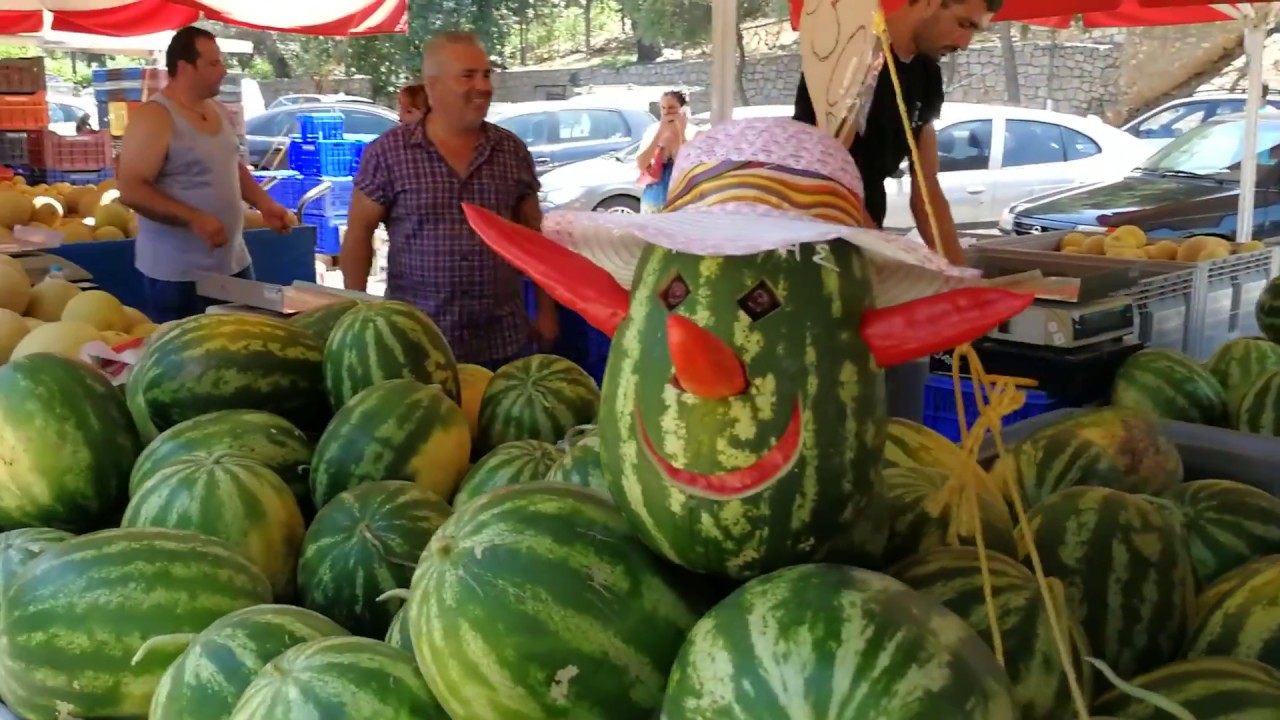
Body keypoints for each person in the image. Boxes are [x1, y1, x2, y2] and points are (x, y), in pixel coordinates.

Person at [340, 31, 557, 369]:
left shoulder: (511, 151)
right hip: (416, 346)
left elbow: (534, 235)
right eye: (468, 75)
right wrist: (356, 313)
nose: (484, 86)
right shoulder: (388, 153)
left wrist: (546, 310)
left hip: (502, 342)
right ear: (433, 86)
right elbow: (358, 234)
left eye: (486, 74)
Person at [793, 0, 999, 266]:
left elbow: (927, 186)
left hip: (866, 236)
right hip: (814, 242)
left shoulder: (927, 74)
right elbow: (828, 180)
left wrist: (959, 275)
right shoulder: (854, 58)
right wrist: (886, 259)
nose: (965, 43)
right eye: (964, 24)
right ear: (928, 3)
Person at [118, 25, 292, 323]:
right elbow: (132, 190)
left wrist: (264, 204)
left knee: (242, 349)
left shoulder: (216, 110)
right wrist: (194, 218)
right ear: (185, 67)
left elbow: (230, 165)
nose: (223, 71)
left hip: (233, 263)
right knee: (187, 363)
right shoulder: (155, 117)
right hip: (177, 276)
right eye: (213, 63)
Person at [636, 90, 694, 214]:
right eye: (663, 108)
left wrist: (681, 132)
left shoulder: (692, 132)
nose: (667, 112)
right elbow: (641, 165)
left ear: (683, 109)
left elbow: (689, 165)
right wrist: (660, 132)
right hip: (654, 198)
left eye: (672, 108)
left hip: (682, 198)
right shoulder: (653, 131)